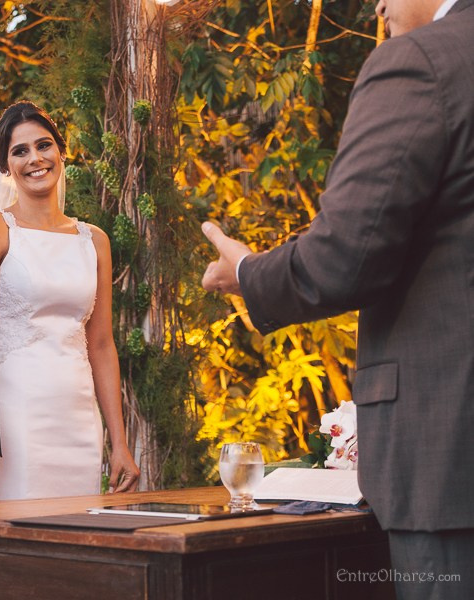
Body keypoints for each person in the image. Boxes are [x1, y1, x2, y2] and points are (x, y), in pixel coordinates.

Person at [200, 1, 474, 598]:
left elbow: (347, 254)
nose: (377, 5)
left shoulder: (422, 63)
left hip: (451, 457)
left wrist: (246, 272)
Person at [0, 101, 139, 500]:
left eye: (44, 145)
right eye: (20, 151)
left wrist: (120, 444)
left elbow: (102, 345)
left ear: (61, 151)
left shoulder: (95, 241)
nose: (35, 158)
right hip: (13, 415)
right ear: (4, 166)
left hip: (78, 421)